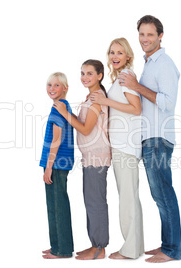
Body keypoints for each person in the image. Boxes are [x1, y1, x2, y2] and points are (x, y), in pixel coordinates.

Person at [118, 15, 181, 263]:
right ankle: (168, 244)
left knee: (163, 193)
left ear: (160, 36)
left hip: (158, 138)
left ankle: (172, 250)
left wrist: (136, 86)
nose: (145, 39)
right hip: (149, 138)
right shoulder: (149, 64)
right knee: (159, 194)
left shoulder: (164, 63)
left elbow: (167, 102)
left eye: (150, 35)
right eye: (142, 34)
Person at [90, 37, 144, 259]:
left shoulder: (126, 76)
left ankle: (130, 250)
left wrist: (106, 102)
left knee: (128, 199)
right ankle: (135, 247)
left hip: (126, 147)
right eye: (112, 52)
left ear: (128, 56)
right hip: (121, 146)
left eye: (120, 53)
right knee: (129, 197)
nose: (115, 56)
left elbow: (136, 109)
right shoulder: (119, 79)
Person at [54, 59, 111, 260]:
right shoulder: (91, 97)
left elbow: (86, 128)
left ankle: (100, 248)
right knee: (90, 200)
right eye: (82, 73)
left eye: (89, 73)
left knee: (96, 202)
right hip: (89, 157)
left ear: (100, 76)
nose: (84, 77)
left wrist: (65, 114)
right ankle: (95, 244)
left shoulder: (98, 97)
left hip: (97, 157)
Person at [40, 72, 75, 259]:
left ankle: (63, 249)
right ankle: (57, 245)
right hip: (58, 162)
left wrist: (48, 166)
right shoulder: (62, 106)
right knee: (53, 205)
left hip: (56, 163)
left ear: (65, 88)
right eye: (49, 85)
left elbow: (57, 138)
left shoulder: (59, 108)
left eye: (56, 85)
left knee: (58, 205)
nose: (52, 89)